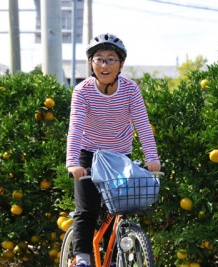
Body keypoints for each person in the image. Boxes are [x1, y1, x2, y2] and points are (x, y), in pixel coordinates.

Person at [66, 33, 161, 267]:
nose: (105, 65)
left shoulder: (130, 90)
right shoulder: (82, 91)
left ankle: (111, 261)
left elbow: (142, 124)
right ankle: (82, 259)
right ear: (91, 64)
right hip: (88, 155)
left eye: (111, 59)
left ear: (121, 64)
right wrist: (73, 162)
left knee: (116, 212)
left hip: (119, 157)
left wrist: (152, 157)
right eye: (99, 59)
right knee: (87, 210)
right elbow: (76, 127)